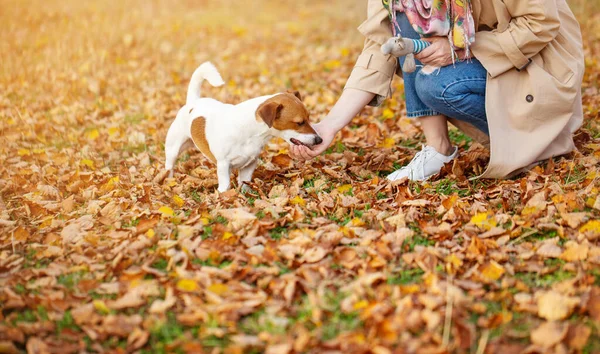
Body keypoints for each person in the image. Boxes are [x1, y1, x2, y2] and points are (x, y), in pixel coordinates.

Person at [290, 0, 584, 181]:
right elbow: (382, 49)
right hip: (485, 59)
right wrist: (329, 126)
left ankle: (538, 136)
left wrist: (459, 48)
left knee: (437, 85)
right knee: (405, 20)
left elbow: (540, 24)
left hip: (537, 62)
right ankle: (438, 148)